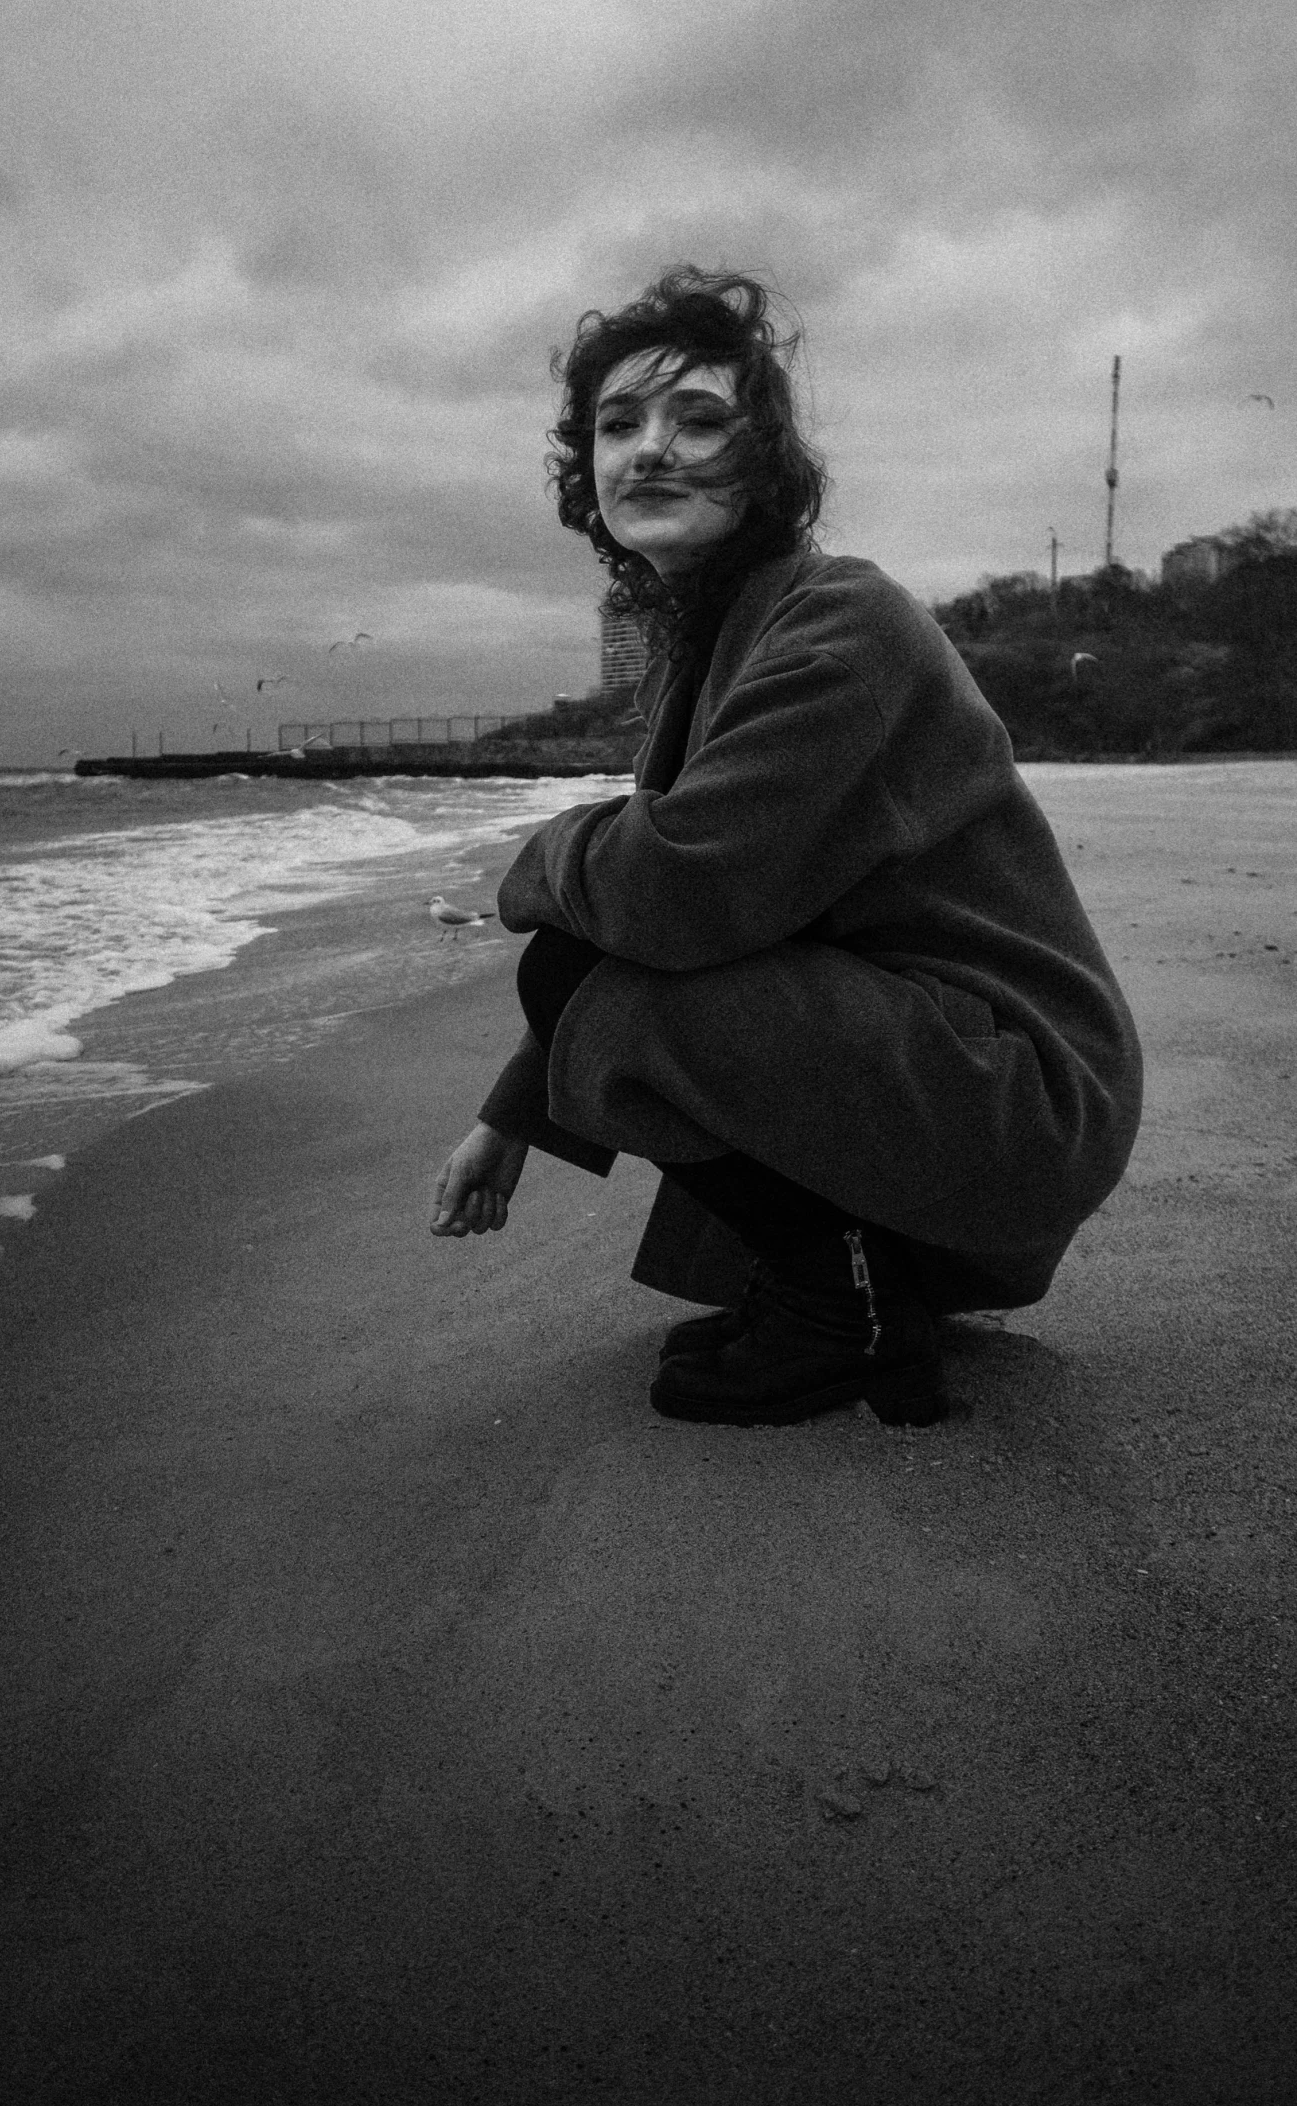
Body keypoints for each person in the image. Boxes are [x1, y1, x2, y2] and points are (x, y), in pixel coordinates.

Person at [429, 267, 1142, 1429]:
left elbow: (673, 893)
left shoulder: (840, 621)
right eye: (619, 425)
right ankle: (838, 1278)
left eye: (699, 420)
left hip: (1020, 1088)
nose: (651, 449)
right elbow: (668, 899)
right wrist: (507, 1120)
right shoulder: (710, 639)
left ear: (766, 463)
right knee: (592, 961)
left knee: (581, 963)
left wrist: (538, 851)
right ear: (587, 468)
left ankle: (839, 1304)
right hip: (930, 1060)